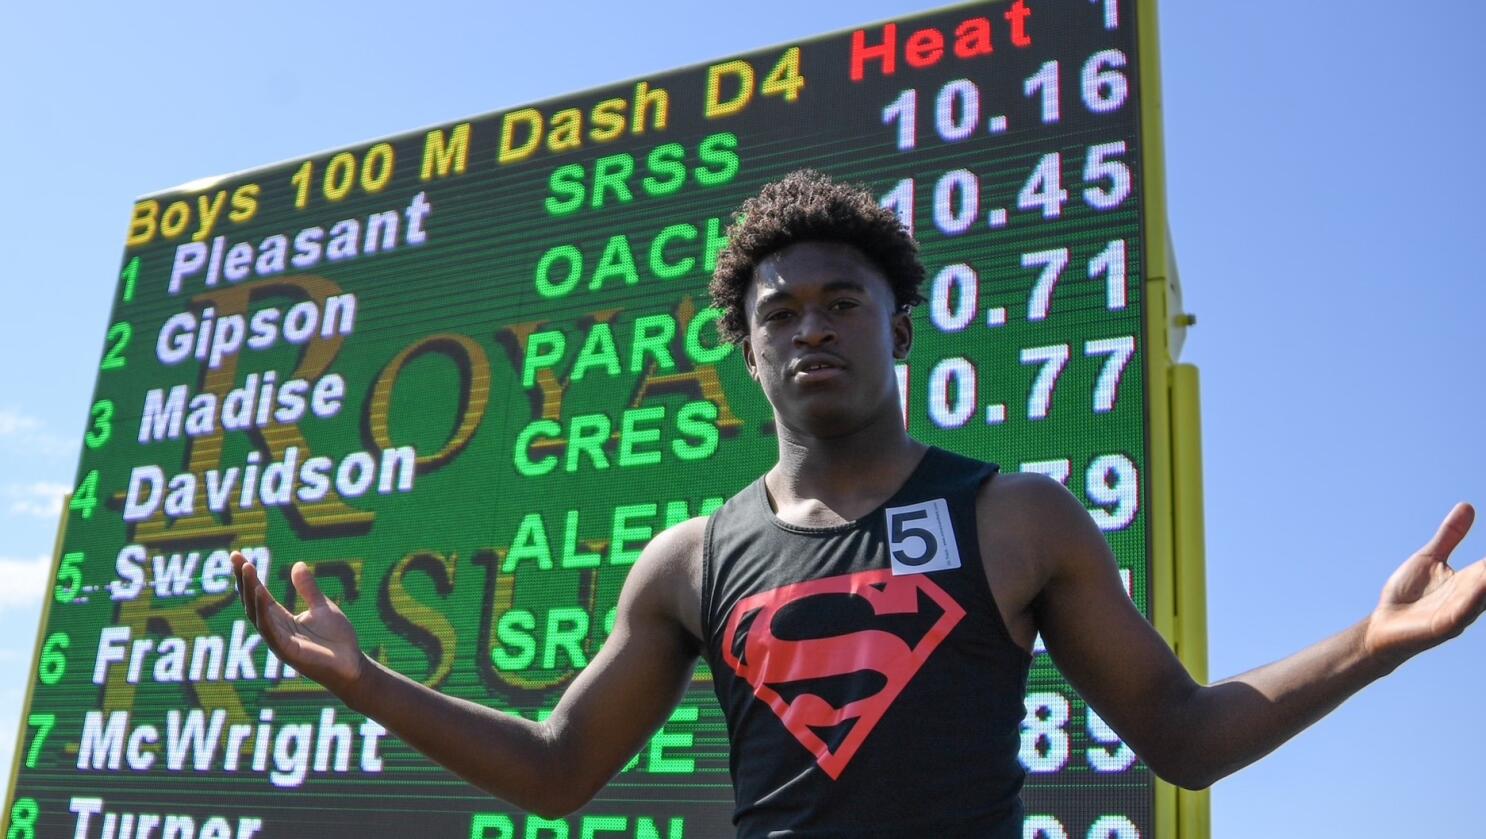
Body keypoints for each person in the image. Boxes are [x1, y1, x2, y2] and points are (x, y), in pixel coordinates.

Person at [233, 170, 1486, 837]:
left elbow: (1185, 733)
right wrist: (366, 682)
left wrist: (1370, 647)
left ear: (899, 320)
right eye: (778, 313)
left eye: (840, 302)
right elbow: (560, 769)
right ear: (745, 348)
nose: (810, 328)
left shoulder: (1018, 514)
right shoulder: (688, 559)